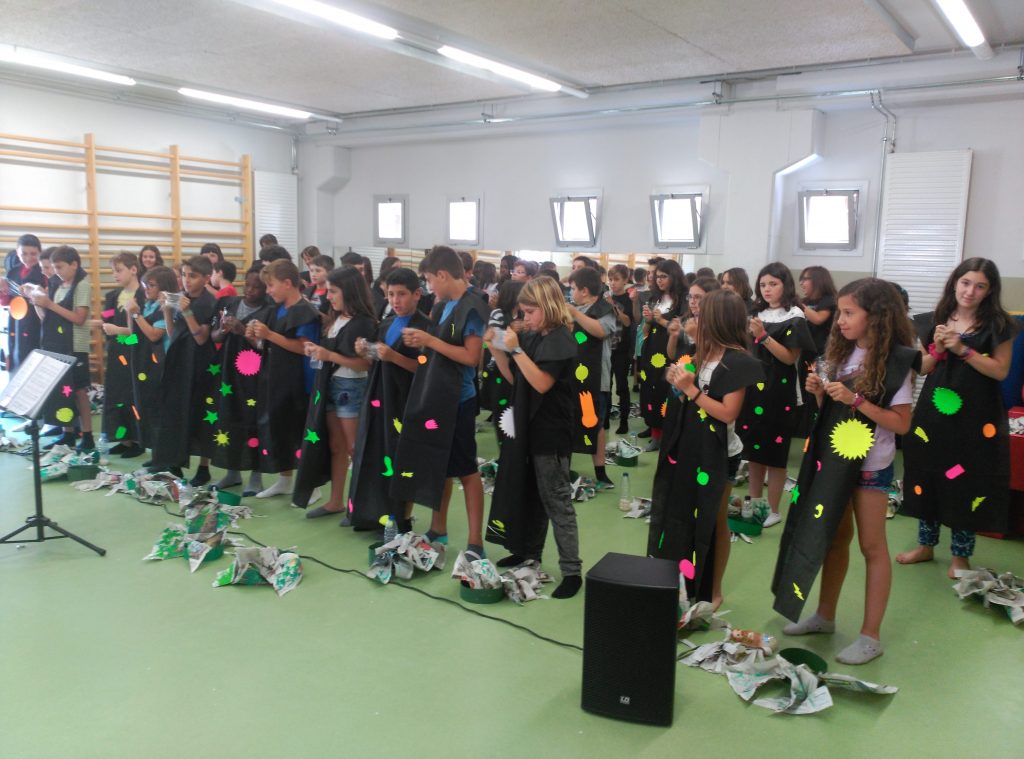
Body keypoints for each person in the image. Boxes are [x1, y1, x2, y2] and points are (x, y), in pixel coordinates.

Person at [774, 279, 918, 665]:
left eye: (850, 313)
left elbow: (901, 423)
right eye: (840, 312)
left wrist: (856, 400)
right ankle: (825, 616)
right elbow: (834, 412)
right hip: (836, 462)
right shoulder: (843, 352)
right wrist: (820, 392)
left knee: (872, 547)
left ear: (877, 316)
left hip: (870, 467)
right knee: (834, 539)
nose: (840, 320)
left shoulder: (896, 361)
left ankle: (871, 637)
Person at [897, 258, 1017, 578]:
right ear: (954, 283)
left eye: (980, 286)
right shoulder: (934, 319)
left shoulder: (998, 325)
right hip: (934, 413)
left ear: (989, 291)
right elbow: (923, 368)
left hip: (977, 416)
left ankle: (960, 556)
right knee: (928, 474)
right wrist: (938, 348)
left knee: (967, 480)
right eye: (965, 283)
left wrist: (964, 350)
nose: (970, 291)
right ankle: (926, 545)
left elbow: (1000, 371)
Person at [649, 290, 762, 609]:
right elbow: (688, 393)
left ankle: (714, 589)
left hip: (719, 454)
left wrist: (691, 390)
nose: (695, 318)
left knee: (713, 521)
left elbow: (727, 413)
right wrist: (678, 383)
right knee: (682, 516)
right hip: (690, 448)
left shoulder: (738, 360)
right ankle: (682, 582)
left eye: (702, 314)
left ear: (718, 320)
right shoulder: (701, 352)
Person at [486, 276, 583, 599]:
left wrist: (514, 348)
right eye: (523, 312)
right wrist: (498, 349)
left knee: (557, 501)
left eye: (530, 312)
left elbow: (541, 382)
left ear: (548, 307)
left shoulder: (561, 340)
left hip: (550, 432)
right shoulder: (534, 336)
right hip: (529, 427)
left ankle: (572, 570)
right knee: (531, 494)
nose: (525, 318)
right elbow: (517, 379)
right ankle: (529, 552)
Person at [390, 246, 489, 557]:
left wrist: (430, 340)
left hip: (459, 399)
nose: (429, 286)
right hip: (438, 394)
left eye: (430, 280)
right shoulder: (444, 305)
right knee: (440, 466)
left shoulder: (472, 307)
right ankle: (438, 528)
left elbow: (471, 357)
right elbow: (439, 346)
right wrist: (422, 343)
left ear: (443, 275)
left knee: (466, 471)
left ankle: (475, 542)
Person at [345, 267, 431, 530]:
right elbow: (377, 360)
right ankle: (371, 513)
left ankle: (398, 519)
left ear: (417, 294)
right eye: (391, 294)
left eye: (402, 294)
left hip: (405, 401)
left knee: (400, 458)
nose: (395, 300)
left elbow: (426, 367)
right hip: (379, 397)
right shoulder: (385, 324)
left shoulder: (425, 328)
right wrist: (366, 351)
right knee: (375, 453)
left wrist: (394, 357)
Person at [296, 267, 377, 515]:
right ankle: (336, 501)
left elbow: (366, 364)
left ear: (349, 291)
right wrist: (317, 350)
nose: (328, 296)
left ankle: (364, 506)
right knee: (336, 446)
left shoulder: (364, 323)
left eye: (333, 291)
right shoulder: (336, 318)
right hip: (330, 384)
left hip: (350, 386)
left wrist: (329, 355)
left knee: (354, 448)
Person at [737, 263, 812, 527]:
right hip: (752, 389)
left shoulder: (795, 316)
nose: (767, 289)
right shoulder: (754, 312)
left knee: (775, 454)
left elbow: (790, 358)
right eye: (763, 285)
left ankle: (774, 509)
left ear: (785, 285)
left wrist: (763, 336)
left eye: (773, 284)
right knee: (754, 452)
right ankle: (755, 503)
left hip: (779, 392)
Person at [248, 260, 322, 500]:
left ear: (288, 283)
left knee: (299, 430)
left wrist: (269, 334)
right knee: (279, 426)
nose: (268, 291)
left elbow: (304, 348)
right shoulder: (276, 309)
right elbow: (266, 343)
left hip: (298, 380)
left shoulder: (305, 311)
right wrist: (255, 337)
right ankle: (285, 479)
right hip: (275, 375)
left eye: (271, 285)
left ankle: (312, 485)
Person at [149, 256, 216, 479]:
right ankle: (174, 462)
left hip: (199, 364)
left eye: (193, 276)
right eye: (185, 275)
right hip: (178, 361)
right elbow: (172, 333)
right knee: (175, 412)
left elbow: (201, 338)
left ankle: (204, 468)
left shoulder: (208, 302)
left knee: (200, 415)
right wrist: (167, 310)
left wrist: (187, 312)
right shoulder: (182, 297)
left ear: (207, 278)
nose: (187, 280)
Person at [207, 268, 273, 495]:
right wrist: (223, 330)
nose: (250, 290)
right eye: (248, 285)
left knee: (253, 422)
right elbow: (213, 336)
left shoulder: (269, 311)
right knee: (228, 418)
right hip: (229, 373)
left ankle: (256, 475)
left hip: (254, 375)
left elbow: (267, 346)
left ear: (265, 289)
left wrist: (243, 330)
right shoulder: (229, 304)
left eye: (257, 287)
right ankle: (232, 471)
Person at [30, 246, 93, 451]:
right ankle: (68, 433)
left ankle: (87, 435)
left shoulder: (82, 285)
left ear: (74, 265)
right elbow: (46, 319)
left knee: (79, 390)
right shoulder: (56, 284)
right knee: (63, 390)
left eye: (59, 267)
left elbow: (79, 318)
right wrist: (38, 303)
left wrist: (49, 304)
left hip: (75, 345)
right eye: (53, 267)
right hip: (57, 344)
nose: (56, 272)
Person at [567, 266, 617, 489]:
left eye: (573, 288)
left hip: (596, 380)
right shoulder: (574, 309)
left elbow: (600, 331)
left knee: (595, 423)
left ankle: (601, 472)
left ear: (585, 290)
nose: (571, 293)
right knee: (569, 420)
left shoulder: (604, 309)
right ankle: (564, 467)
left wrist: (575, 314)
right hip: (572, 376)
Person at [94, 253, 145, 458]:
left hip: (134, 350)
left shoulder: (143, 295)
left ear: (133, 269)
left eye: (119, 270)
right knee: (117, 395)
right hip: (116, 351)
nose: (115, 275)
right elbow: (107, 320)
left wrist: (118, 331)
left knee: (132, 395)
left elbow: (139, 331)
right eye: (113, 271)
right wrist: (100, 325)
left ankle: (138, 441)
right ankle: (124, 439)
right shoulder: (113, 296)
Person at [637, 259, 686, 452]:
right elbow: (646, 330)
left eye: (664, 276)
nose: (659, 280)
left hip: (669, 353)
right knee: (650, 390)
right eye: (657, 276)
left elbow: (683, 331)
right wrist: (649, 320)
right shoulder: (654, 298)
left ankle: (666, 435)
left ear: (674, 277)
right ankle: (654, 431)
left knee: (666, 392)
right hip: (651, 350)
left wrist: (661, 321)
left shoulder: (682, 301)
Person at [1, 234, 45, 374]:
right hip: (16, 320)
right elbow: (5, 301)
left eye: (33, 254)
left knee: (35, 357)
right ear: (17, 253)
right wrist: (3, 290)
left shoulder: (44, 271)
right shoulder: (13, 272)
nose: (28, 258)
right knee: (17, 355)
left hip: (37, 320)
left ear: (40, 253)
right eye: (23, 253)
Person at [605, 265, 635, 435]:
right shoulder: (604, 297)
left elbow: (627, 322)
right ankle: (605, 418)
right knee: (606, 385)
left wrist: (613, 305)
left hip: (622, 349)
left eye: (616, 279)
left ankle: (624, 422)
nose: (612, 283)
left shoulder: (628, 299)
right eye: (610, 279)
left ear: (625, 280)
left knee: (622, 386)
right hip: (607, 348)